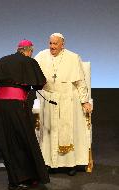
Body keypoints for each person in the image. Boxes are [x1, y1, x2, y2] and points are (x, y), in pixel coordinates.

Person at [0, 40, 49, 190]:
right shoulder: (28, 61)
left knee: (7, 140)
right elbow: (40, 83)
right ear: (29, 50)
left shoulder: (3, 60)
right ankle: (28, 176)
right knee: (24, 139)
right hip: (17, 105)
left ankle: (13, 180)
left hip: (0, 106)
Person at [35, 33, 92, 176]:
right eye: (50, 43)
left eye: (55, 44)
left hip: (68, 99)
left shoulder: (73, 57)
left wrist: (84, 101)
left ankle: (70, 164)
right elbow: (31, 71)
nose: (52, 46)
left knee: (68, 132)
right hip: (49, 99)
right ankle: (49, 163)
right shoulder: (41, 56)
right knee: (50, 133)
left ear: (62, 44)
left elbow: (80, 82)